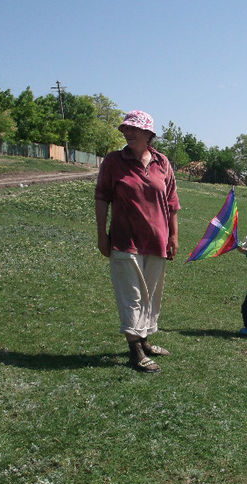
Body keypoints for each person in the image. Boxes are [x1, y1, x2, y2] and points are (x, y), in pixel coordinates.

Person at [94, 110, 180, 373]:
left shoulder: (162, 162)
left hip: (157, 240)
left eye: (135, 130)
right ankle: (135, 351)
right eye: (126, 129)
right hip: (124, 240)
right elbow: (102, 197)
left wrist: (173, 235)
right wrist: (101, 233)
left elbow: (171, 202)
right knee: (131, 295)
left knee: (150, 295)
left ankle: (144, 340)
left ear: (148, 134)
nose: (128, 133)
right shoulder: (113, 161)